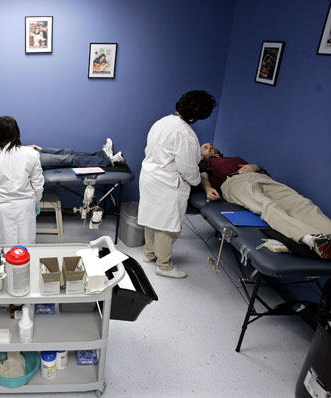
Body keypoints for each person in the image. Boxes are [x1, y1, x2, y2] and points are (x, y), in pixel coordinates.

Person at [199, 143, 331, 260]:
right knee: (268, 206)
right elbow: (203, 177)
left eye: (212, 145)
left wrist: (255, 166)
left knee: (302, 203)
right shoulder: (206, 163)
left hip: (261, 177)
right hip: (234, 182)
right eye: (205, 147)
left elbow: (262, 171)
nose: (210, 147)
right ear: (201, 155)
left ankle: (328, 232)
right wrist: (207, 189)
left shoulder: (236, 159)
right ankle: (312, 240)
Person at [138, 90, 217, 279]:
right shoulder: (187, 134)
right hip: (168, 182)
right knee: (167, 226)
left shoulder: (162, 122)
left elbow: (160, 150)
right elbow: (187, 167)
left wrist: (199, 155)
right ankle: (164, 266)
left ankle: (149, 254)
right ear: (198, 115)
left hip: (150, 175)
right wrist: (199, 182)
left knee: (151, 218)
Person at [0, 116, 45, 245]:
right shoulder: (32, 154)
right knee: (25, 246)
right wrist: (37, 201)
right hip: (25, 206)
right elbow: (38, 184)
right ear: (16, 132)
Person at [0, 139, 124, 169]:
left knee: (67, 151)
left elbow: (11, 152)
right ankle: (109, 162)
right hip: (32, 163)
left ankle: (103, 155)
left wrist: (28, 147)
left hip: (29, 154)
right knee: (69, 158)